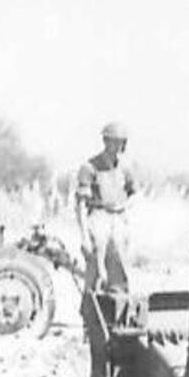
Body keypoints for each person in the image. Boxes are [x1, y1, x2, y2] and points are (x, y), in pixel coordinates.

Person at [76, 122, 135, 293]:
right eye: (113, 142)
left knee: (119, 262)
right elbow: (80, 204)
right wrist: (84, 236)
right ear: (105, 142)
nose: (117, 147)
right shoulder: (89, 168)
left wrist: (124, 213)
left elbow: (133, 195)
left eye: (120, 143)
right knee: (96, 263)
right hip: (98, 215)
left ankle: (118, 308)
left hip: (118, 217)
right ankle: (92, 309)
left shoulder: (125, 168)